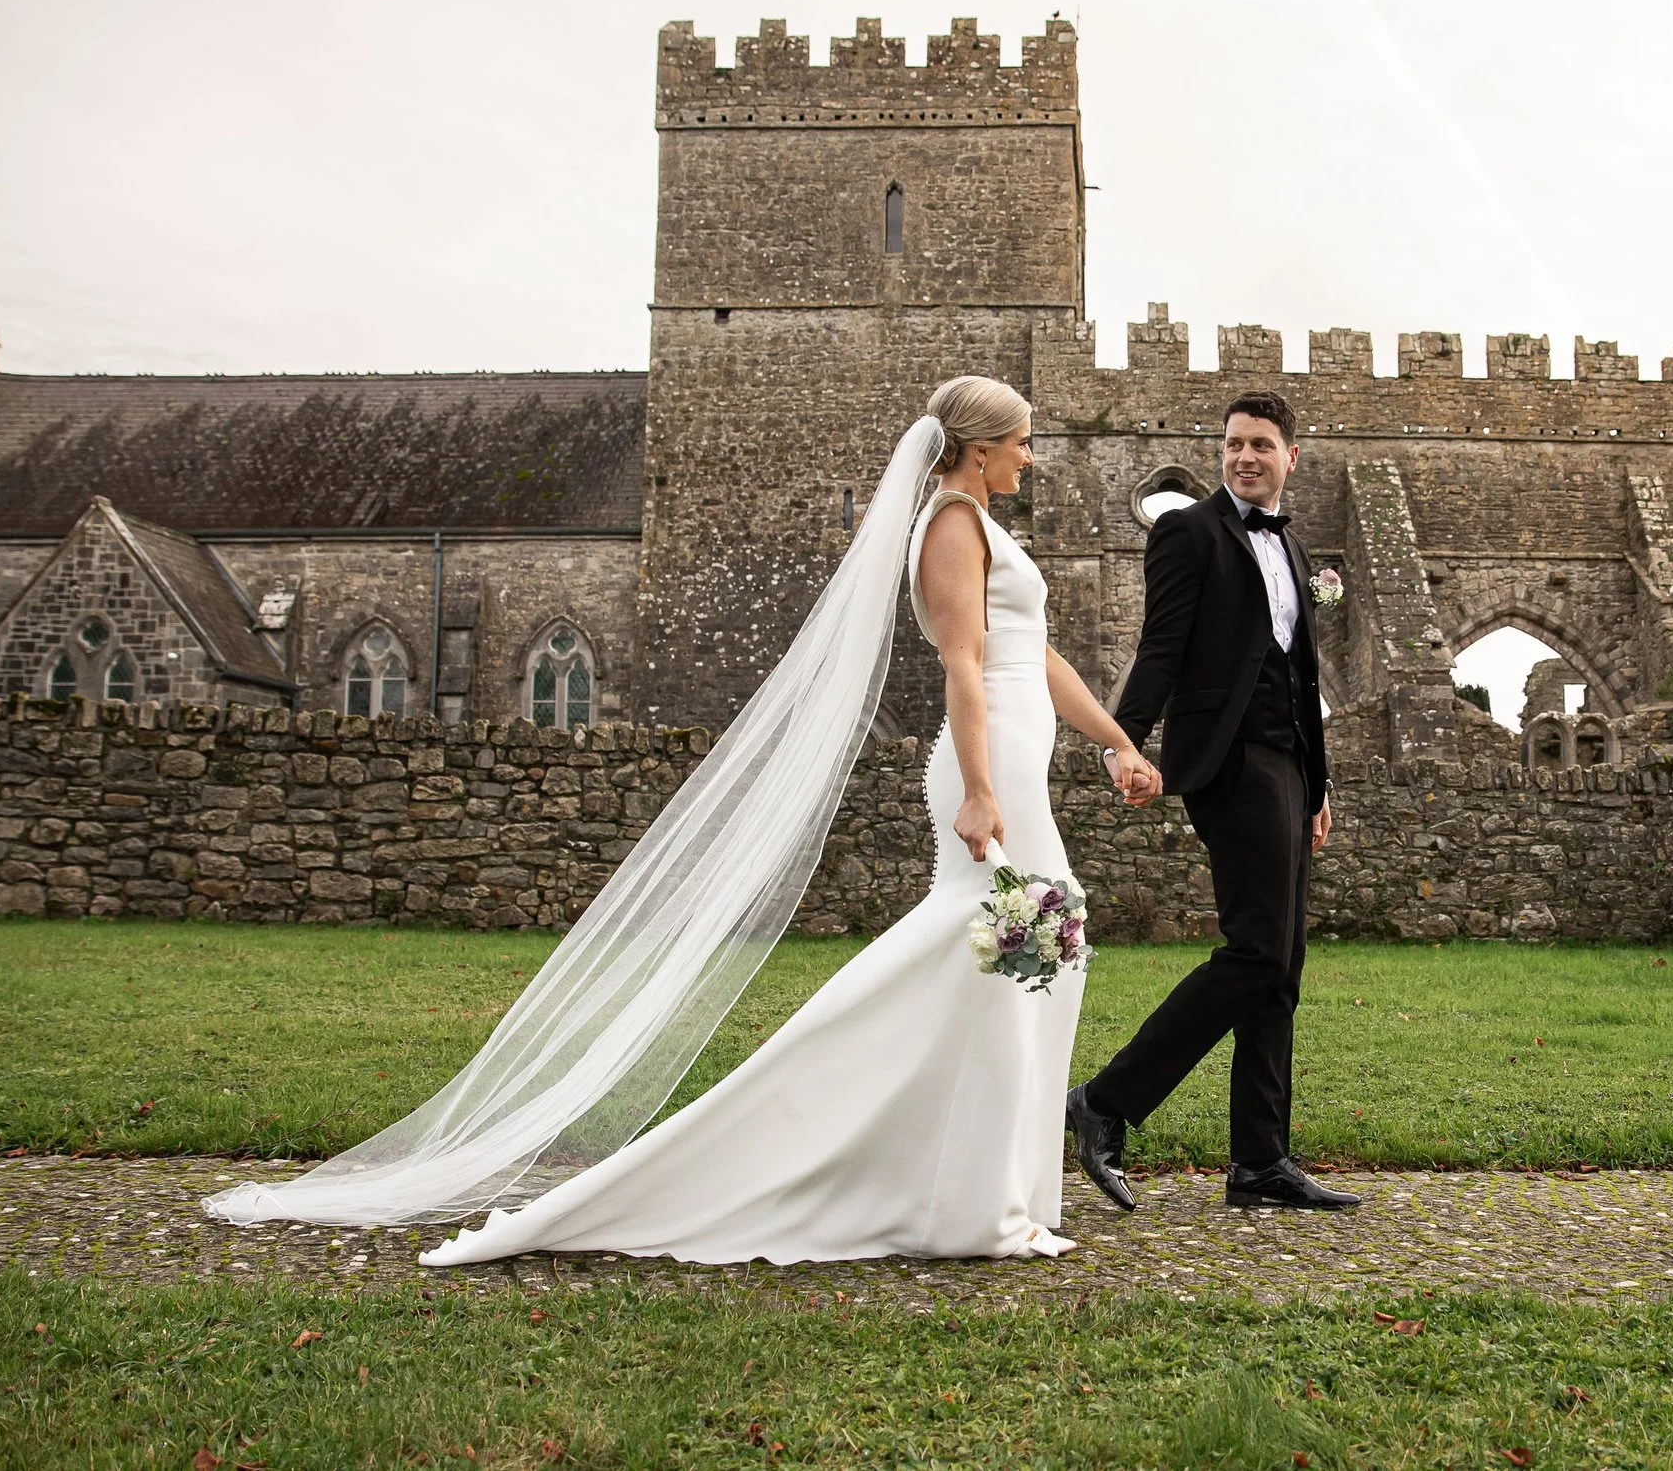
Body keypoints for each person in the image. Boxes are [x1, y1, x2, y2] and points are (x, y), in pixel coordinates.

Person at [206, 376, 1161, 1265]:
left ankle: (994, 1187)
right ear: (980, 449)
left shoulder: (984, 525)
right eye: (1021, 442)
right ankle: (951, 1188)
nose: (1030, 456)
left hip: (1018, 751)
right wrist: (980, 789)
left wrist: (1116, 740)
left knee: (1033, 952)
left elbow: (1039, 656)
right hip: (990, 762)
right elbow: (963, 663)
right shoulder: (951, 524)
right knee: (1009, 945)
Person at [1067, 390, 1360, 1214]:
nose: (1244, 457)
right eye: (1233, 444)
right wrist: (1122, 742)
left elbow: (1301, 674)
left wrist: (1317, 782)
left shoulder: (1294, 545)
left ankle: (1260, 1159)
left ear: (1290, 456)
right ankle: (1105, 1100)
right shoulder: (1186, 532)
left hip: (1290, 765)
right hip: (1229, 762)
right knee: (1258, 950)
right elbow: (1160, 649)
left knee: (1282, 964)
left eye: (1261, 444)